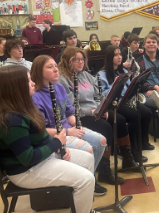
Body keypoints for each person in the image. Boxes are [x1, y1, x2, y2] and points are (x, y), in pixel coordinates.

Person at [0, 65, 99, 213]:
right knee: (86, 179)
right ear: (16, 88)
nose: (33, 83)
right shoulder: (11, 119)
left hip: (38, 161)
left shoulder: (24, 107)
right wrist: (57, 142)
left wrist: (56, 146)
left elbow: (39, 137)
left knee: (87, 158)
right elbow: (28, 158)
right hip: (25, 171)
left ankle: (82, 207)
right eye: (28, 81)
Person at [58, 46, 138, 184]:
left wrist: (103, 108)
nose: (80, 62)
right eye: (75, 59)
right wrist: (92, 112)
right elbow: (70, 106)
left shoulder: (87, 75)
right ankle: (104, 171)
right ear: (67, 61)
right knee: (105, 127)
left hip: (95, 110)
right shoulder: (63, 80)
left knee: (119, 120)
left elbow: (98, 96)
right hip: (79, 115)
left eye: (82, 59)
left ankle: (127, 159)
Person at [30, 55, 107, 196]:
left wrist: (75, 124)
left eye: (55, 65)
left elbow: (69, 111)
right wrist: (69, 132)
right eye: (50, 67)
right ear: (38, 71)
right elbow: (40, 129)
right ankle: (79, 186)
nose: (56, 69)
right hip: (54, 134)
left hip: (68, 128)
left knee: (101, 141)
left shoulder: (59, 87)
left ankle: (89, 180)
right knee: (88, 149)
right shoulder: (35, 96)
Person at [99, 45, 154, 155]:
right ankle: (133, 150)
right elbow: (102, 94)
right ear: (110, 57)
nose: (119, 57)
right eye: (115, 55)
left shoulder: (123, 71)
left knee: (147, 113)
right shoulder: (102, 74)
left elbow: (129, 87)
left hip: (126, 101)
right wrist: (115, 86)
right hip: (114, 104)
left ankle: (143, 142)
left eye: (120, 54)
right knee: (134, 115)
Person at [133, 34, 159, 149]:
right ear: (144, 45)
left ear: (157, 45)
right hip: (145, 93)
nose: (151, 44)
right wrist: (153, 87)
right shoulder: (138, 62)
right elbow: (136, 82)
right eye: (149, 42)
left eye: (154, 42)